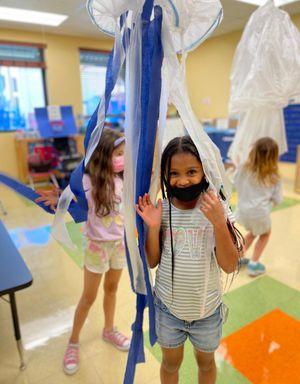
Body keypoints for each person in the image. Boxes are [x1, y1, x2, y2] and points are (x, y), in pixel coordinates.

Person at [136, 136, 239, 384]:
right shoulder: (163, 209)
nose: (182, 181)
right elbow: (152, 261)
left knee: (206, 363)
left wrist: (217, 223)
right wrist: (152, 227)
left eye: (191, 171)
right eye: (174, 173)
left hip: (207, 311)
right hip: (168, 310)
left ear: (205, 170)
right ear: (164, 174)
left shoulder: (216, 206)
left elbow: (230, 265)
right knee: (170, 364)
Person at [37, 128, 130, 375]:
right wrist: (58, 200)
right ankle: (73, 342)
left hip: (119, 246)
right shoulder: (88, 181)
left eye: (124, 153)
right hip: (96, 247)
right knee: (88, 298)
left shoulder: (123, 180)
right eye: (118, 154)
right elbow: (69, 202)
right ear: (103, 156)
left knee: (112, 289)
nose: (123, 158)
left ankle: (109, 330)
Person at [233, 137, 283, 277]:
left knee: (253, 233)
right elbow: (278, 199)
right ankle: (254, 264)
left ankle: (239, 258)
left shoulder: (243, 168)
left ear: (253, 152)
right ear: (274, 157)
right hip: (259, 214)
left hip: (242, 212)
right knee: (265, 234)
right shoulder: (274, 176)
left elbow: (235, 182)